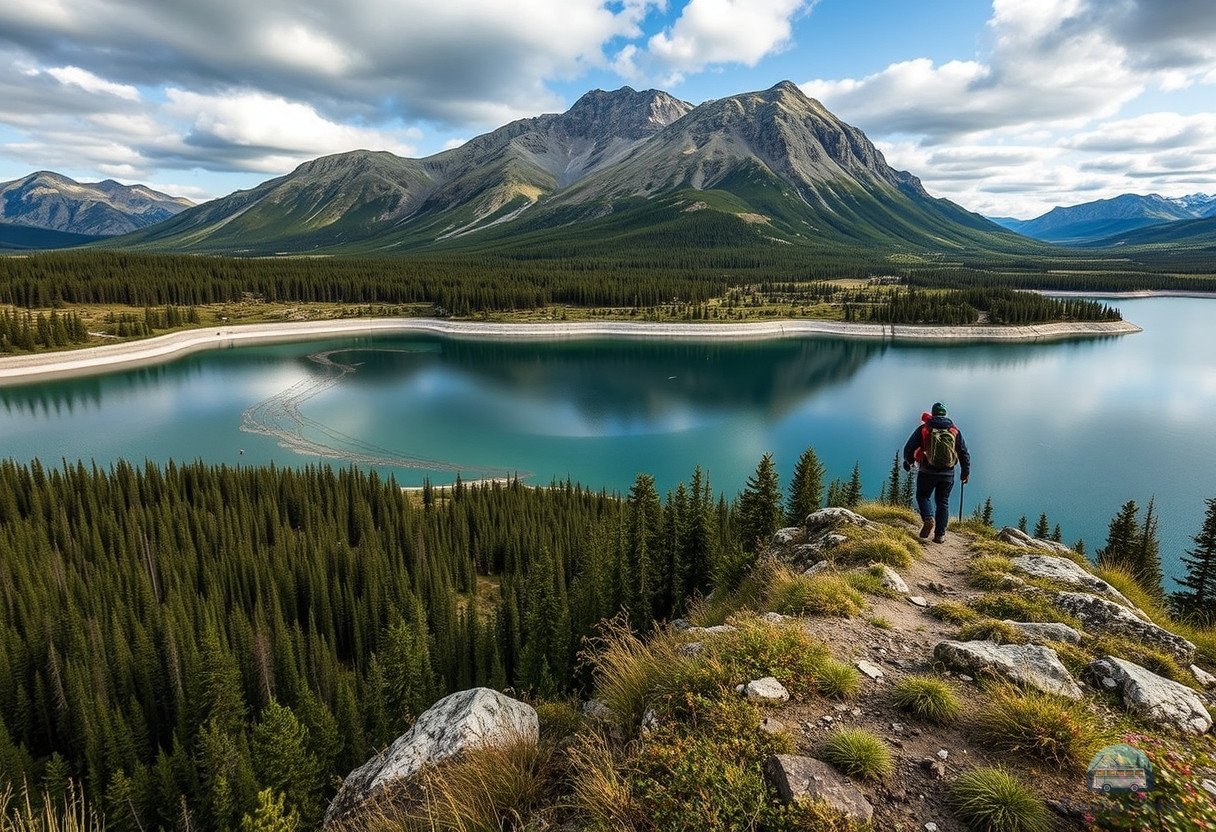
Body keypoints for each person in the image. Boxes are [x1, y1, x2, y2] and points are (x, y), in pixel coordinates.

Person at [902, 402, 970, 543]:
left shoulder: (924, 428)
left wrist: (908, 462)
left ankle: (928, 518)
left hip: (927, 471)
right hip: (947, 473)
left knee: (923, 496)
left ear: (933, 414)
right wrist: (965, 473)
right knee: (942, 502)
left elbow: (909, 447)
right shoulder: (954, 431)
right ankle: (940, 535)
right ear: (945, 414)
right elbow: (963, 453)